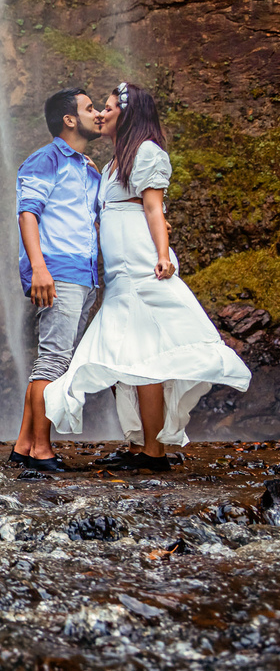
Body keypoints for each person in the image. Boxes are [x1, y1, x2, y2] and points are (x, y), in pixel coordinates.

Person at [43, 82, 251, 471]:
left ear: (128, 114)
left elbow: (154, 210)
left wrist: (162, 256)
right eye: (99, 108)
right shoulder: (111, 164)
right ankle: (142, 445)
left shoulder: (147, 153)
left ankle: (154, 452)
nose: (101, 114)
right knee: (134, 360)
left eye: (107, 108)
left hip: (142, 266)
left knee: (146, 361)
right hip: (121, 275)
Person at [10, 88, 103, 472]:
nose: (98, 114)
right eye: (90, 108)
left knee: (56, 361)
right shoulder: (46, 159)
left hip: (84, 273)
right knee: (52, 361)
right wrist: (40, 268)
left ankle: (23, 445)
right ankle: (41, 451)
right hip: (58, 271)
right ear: (70, 119)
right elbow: (28, 213)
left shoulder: (89, 168)